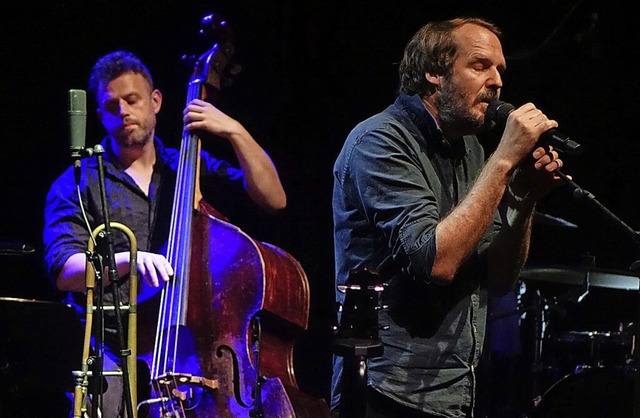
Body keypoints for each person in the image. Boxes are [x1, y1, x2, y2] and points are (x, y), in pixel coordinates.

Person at [331, 17, 566, 418]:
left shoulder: (472, 150)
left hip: (455, 393)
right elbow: (435, 263)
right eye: (480, 65)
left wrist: (525, 199)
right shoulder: (380, 141)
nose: (496, 82)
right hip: (386, 392)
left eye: (500, 71)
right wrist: (505, 158)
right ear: (434, 72)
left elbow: (499, 278)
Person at [43, 50, 286, 417]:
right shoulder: (77, 182)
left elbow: (274, 200)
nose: (123, 111)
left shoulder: (189, 168)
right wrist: (131, 261)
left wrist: (236, 131)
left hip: (197, 347)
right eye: (111, 106)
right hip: (114, 345)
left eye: (132, 100)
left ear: (155, 102)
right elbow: (65, 270)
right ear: (99, 116)